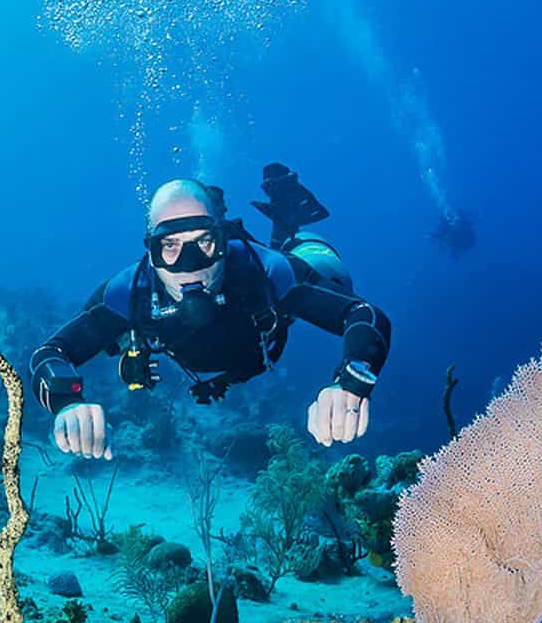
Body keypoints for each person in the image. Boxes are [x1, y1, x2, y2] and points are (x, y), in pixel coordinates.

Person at [29, 163, 392, 459]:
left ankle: (288, 221)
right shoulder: (130, 292)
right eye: (168, 245)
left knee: (329, 273)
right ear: (150, 251)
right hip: (237, 354)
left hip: (268, 329)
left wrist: (352, 379)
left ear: (222, 240)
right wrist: (66, 402)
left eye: (203, 241)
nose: (188, 264)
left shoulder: (263, 272)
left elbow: (363, 313)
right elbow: (52, 353)